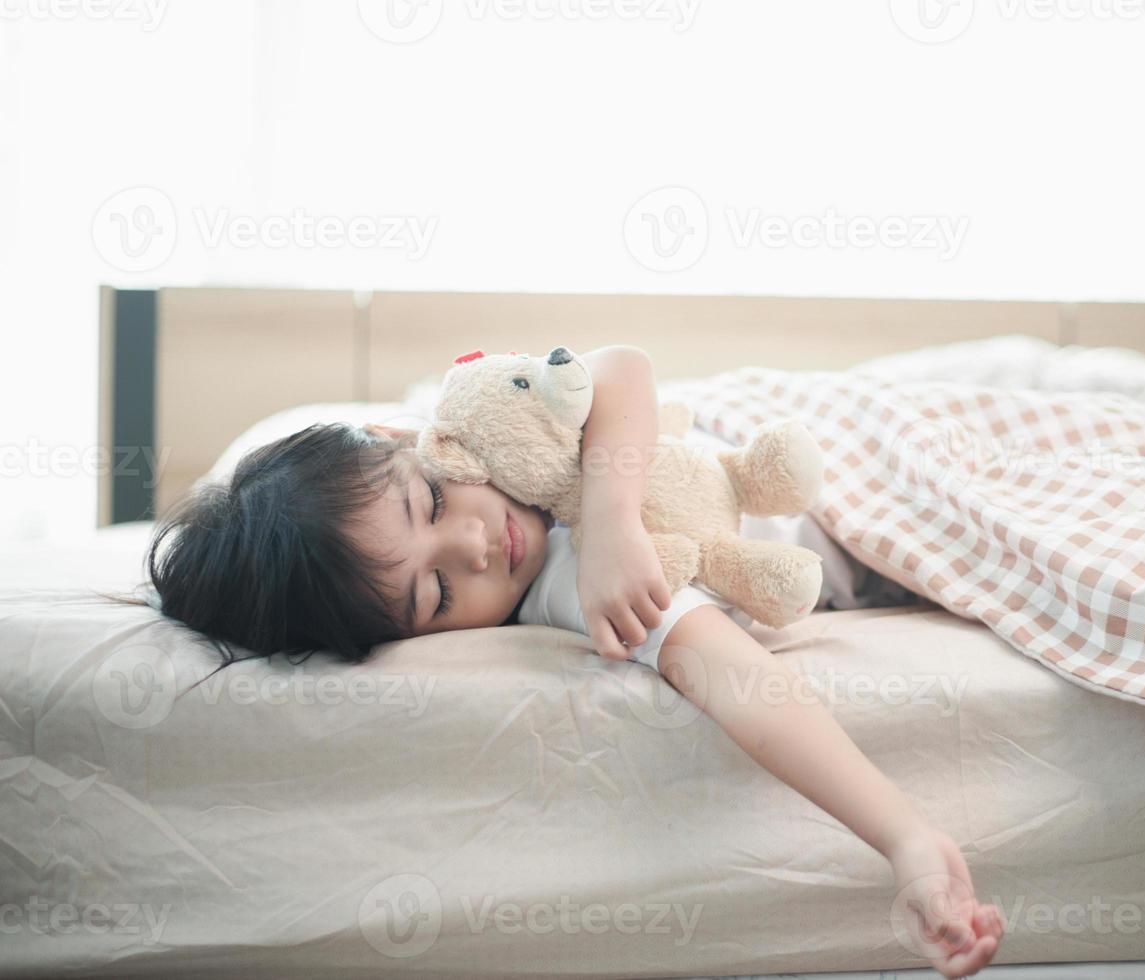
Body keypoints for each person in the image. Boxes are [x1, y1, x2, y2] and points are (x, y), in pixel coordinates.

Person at [147, 345, 1005, 977]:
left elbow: (624, 369)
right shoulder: (562, 584)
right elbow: (733, 674)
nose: (479, 545)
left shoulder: (486, 425)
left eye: (433, 503)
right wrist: (906, 839)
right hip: (847, 515)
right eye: (437, 595)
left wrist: (614, 512)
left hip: (797, 425)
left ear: (399, 436)